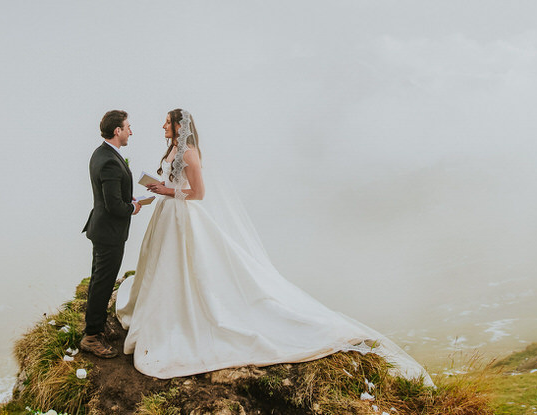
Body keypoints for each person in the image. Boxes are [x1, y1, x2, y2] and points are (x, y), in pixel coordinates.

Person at [115, 109, 432, 384]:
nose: (162, 127)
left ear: (179, 126)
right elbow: (176, 183)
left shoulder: (189, 153)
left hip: (182, 215)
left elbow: (198, 193)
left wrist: (165, 191)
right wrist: (161, 188)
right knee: (163, 265)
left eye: (166, 123)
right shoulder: (173, 148)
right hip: (167, 216)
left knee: (188, 266)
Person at [80, 109, 143, 358]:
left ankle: (96, 324)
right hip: (109, 233)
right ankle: (91, 337)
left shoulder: (102, 153)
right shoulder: (108, 160)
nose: (130, 131)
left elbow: (111, 194)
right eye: (128, 127)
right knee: (102, 283)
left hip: (102, 229)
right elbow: (113, 206)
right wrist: (133, 207)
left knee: (99, 280)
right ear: (117, 131)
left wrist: (126, 196)